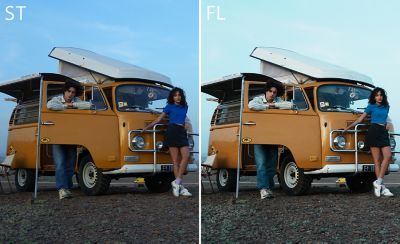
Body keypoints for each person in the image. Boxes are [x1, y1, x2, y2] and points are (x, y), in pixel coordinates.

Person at [142, 87, 192, 197]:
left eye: (179, 95)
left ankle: (177, 182)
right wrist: (148, 127)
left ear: (181, 96)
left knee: (186, 156)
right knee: (175, 161)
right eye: (175, 95)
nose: (177, 97)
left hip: (181, 132)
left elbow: (184, 120)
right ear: (172, 97)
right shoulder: (169, 106)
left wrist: (186, 127)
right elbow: (159, 119)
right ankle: (180, 186)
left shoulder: (185, 106)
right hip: (172, 131)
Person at [344, 87, 393, 197]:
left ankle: (378, 182)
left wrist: (388, 124)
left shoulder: (387, 106)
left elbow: (386, 119)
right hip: (373, 131)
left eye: (380, 95)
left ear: (383, 96)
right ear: (374, 97)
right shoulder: (370, 106)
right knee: (376, 161)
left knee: (388, 156)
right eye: (377, 95)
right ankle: (383, 187)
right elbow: (360, 120)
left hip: (383, 132)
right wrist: (349, 128)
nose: (379, 97)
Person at [248, 79, 292, 199]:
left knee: (272, 165)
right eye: (270, 91)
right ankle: (263, 189)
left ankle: (268, 187)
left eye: (274, 92)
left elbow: (290, 105)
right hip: (259, 136)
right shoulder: (258, 99)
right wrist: (267, 106)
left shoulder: (278, 100)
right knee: (261, 164)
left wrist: (273, 105)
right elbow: (251, 105)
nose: (272, 94)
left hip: (273, 137)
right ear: (266, 91)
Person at [47, 80, 91, 199]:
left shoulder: (76, 101)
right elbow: (50, 105)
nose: (70, 94)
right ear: (64, 91)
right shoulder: (57, 99)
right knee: (60, 163)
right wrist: (66, 106)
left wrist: (73, 105)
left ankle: (67, 187)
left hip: (72, 137)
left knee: (71, 165)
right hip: (58, 137)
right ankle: (62, 189)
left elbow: (88, 105)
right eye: (68, 91)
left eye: (73, 92)